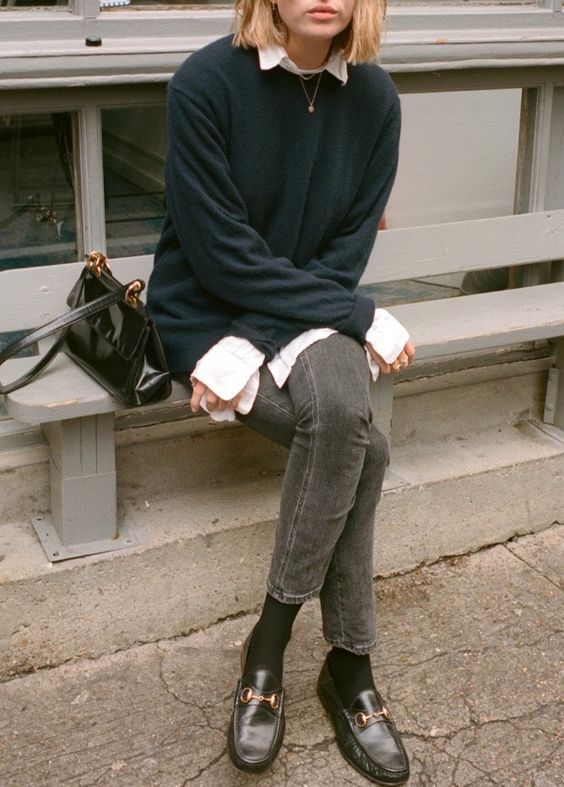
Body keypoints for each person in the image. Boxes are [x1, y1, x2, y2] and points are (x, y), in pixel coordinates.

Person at [147, 0, 415, 782]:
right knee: (363, 447)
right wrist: (359, 318)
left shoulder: (375, 98)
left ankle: (270, 643)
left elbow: (346, 251)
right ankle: (349, 666)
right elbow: (220, 254)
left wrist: (265, 338)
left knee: (344, 419)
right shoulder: (204, 84)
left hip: (310, 306)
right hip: (208, 312)